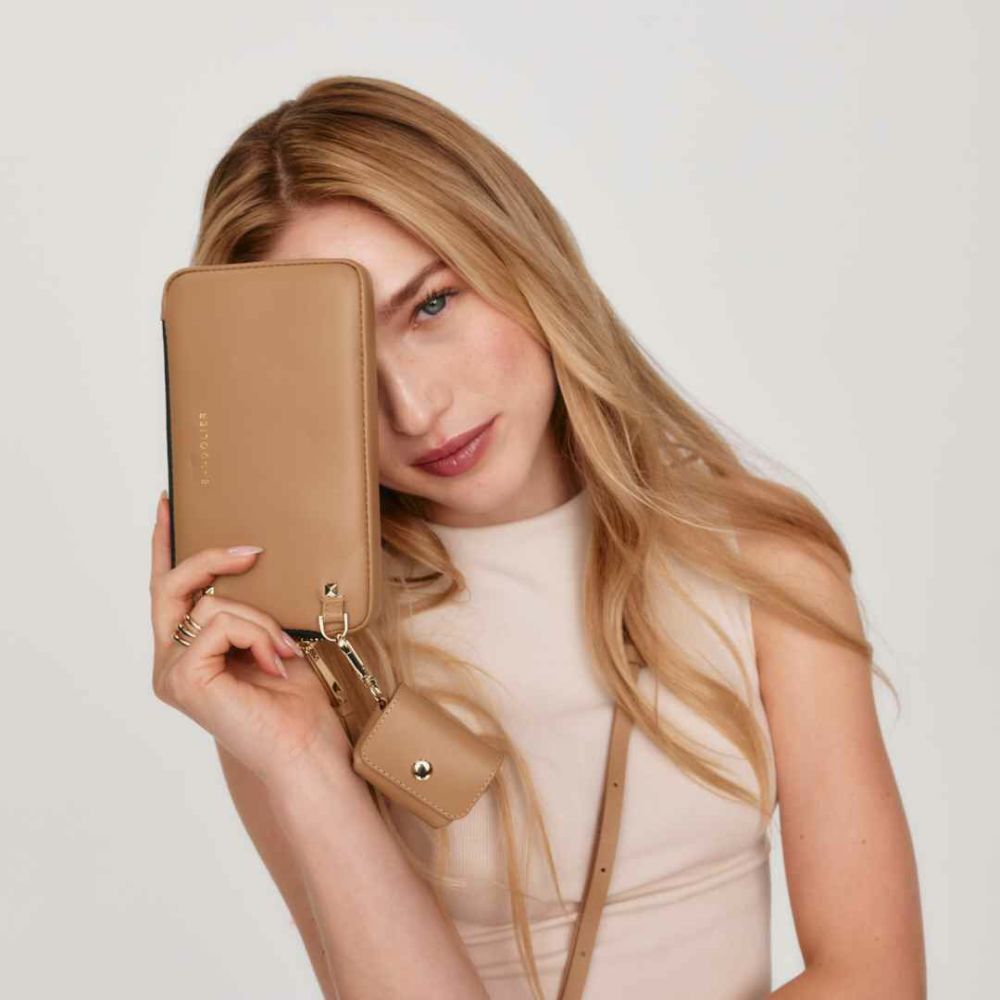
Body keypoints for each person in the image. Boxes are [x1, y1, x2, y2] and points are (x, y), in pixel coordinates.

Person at [148, 75, 926, 999]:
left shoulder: (762, 563)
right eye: (343, 366)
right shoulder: (289, 654)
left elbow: (875, 979)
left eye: (431, 305)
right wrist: (303, 760)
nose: (414, 407)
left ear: (521, 256)